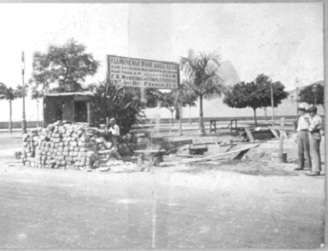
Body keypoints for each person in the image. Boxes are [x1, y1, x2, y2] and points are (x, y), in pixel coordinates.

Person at [306, 106, 322, 176]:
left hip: (314, 134)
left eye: (310, 112)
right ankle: (318, 169)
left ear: (313, 112)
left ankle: (316, 170)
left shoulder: (316, 119)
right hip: (317, 134)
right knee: (316, 152)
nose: (309, 114)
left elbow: (311, 129)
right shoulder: (317, 117)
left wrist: (308, 126)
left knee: (314, 152)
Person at [294, 104, 312, 171]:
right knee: (300, 151)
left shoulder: (307, 116)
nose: (299, 113)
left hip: (305, 132)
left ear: (303, 111)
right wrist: (297, 136)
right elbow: (298, 128)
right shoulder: (299, 118)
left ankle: (310, 166)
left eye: (300, 111)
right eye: (298, 111)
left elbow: (311, 124)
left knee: (306, 150)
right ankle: (300, 165)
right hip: (300, 133)